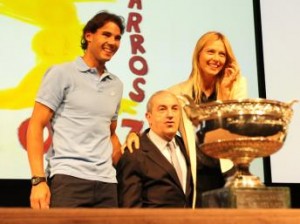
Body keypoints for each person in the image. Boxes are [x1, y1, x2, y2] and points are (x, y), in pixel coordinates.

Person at [124, 31, 247, 207]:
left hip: (229, 172)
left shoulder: (237, 85)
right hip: (198, 177)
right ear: (198, 55)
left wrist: (225, 96)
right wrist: (135, 135)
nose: (216, 58)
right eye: (210, 52)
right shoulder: (178, 92)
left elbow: (238, 130)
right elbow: (157, 121)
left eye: (222, 54)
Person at [26, 11, 125, 209]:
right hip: (69, 179)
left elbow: (110, 133)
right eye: (106, 35)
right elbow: (36, 125)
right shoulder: (62, 73)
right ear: (89, 35)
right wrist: (38, 181)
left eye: (117, 38)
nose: (112, 42)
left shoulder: (116, 85)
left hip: (107, 185)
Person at [117, 90, 193, 207]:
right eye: (162, 109)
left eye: (174, 109)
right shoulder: (134, 153)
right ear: (149, 117)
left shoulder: (187, 147)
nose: (170, 115)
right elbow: (129, 210)